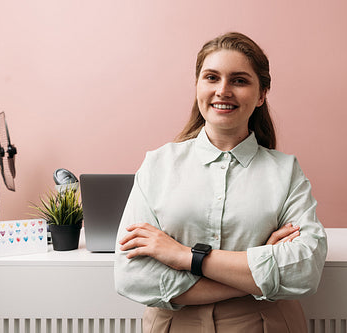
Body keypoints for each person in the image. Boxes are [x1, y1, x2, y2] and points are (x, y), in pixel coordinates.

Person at [114, 32, 328, 333]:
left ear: (262, 94)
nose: (223, 90)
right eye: (211, 78)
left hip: (266, 325)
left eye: (239, 80)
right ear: (198, 86)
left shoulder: (285, 171)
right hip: (174, 325)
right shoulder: (157, 165)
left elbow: (304, 271)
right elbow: (132, 276)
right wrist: (255, 273)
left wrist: (182, 256)